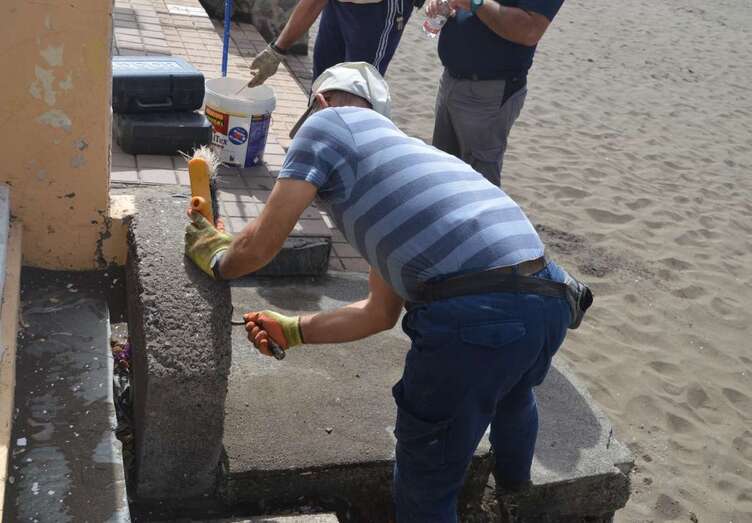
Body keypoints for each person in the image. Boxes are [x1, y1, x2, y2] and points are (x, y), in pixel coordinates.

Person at [186, 62, 591, 522]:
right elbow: (379, 312)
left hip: (476, 314)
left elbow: (260, 245)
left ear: (318, 103)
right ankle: (517, 495)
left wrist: (219, 258)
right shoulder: (402, 171)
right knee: (515, 395)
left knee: (427, 475)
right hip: (549, 293)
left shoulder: (326, 122)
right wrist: (294, 330)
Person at [424, 0, 564, 186]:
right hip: (451, 79)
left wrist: (475, 3)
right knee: (442, 172)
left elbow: (529, 30)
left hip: (489, 90)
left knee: (478, 184)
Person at [247, 0, 415, 89]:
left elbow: (314, 3)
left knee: (358, 88)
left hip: (378, 8)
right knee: (323, 79)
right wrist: (277, 50)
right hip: (338, 5)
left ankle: (350, 150)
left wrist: (278, 50)